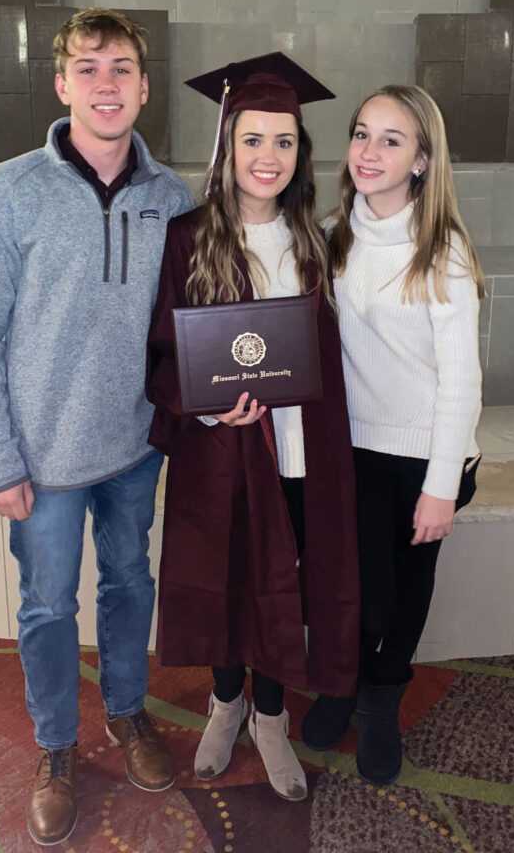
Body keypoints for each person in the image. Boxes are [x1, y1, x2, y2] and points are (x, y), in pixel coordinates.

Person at [0, 8, 193, 846]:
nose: (105, 83)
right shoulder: (10, 190)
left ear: (145, 86)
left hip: (133, 451)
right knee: (49, 607)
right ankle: (55, 747)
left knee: (130, 586)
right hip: (42, 459)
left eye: (121, 67)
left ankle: (127, 714)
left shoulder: (172, 196)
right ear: (61, 85)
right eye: (87, 68)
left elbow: (189, 324)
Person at [146, 53, 359, 802]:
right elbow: (160, 354)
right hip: (222, 451)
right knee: (224, 581)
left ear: (301, 154)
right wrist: (204, 405)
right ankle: (225, 702)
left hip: (300, 454)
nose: (267, 157)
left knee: (284, 586)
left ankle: (271, 718)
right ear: (226, 148)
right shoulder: (187, 238)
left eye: (284, 141)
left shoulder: (319, 244)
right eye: (253, 140)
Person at [301, 85, 484, 785]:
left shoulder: (444, 250)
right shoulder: (332, 236)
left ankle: (380, 703)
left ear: (421, 160)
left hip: (426, 454)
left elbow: (461, 382)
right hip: (358, 449)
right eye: (361, 134)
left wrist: (441, 488)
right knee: (357, 589)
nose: (369, 152)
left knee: (403, 594)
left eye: (391, 139)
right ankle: (341, 684)